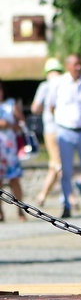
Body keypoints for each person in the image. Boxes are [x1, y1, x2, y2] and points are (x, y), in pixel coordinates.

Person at [47, 53, 81, 218]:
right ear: (68, 66)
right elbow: (51, 106)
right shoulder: (59, 83)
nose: (78, 67)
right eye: (75, 64)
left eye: (80, 64)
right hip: (66, 130)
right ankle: (66, 203)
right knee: (66, 169)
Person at [31, 57, 64, 207]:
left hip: (51, 129)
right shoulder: (66, 83)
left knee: (57, 164)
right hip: (66, 127)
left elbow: (35, 108)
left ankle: (67, 197)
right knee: (56, 164)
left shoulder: (45, 86)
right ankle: (43, 195)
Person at [0, 79, 27, 222]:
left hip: (9, 149)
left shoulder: (10, 104)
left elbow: (22, 123)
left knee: (14, 179)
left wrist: (12, 124)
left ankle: (21, 211)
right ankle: (0, 212)